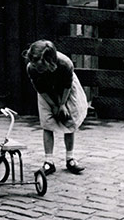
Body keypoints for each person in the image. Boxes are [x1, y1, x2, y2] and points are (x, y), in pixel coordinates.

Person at [24, 39, 88, 175]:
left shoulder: (65, 64)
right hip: (47, 91)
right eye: (33, 63)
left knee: (68, 120)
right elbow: (40, 89)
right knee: (47, 122)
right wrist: (53, 105)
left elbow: (67, 85)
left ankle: (70, 158)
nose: (35, 66)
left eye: (38, 64)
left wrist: (62, 104)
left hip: (66, 90)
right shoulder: (32, 68)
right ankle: (49, 162)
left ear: (48, 61)